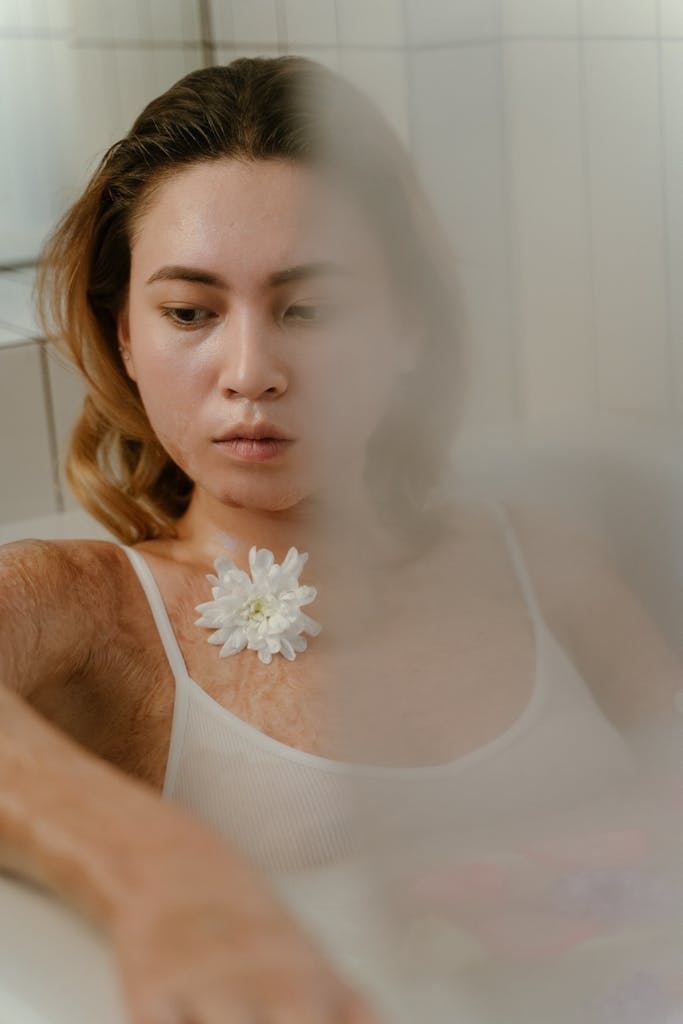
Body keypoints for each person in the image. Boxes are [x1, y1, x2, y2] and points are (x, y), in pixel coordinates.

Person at [2, 55, 683, 1024]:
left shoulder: (543, 559)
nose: (251, 371)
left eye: (308, 307)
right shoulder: (93, 608)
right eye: (189, 312)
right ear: (123, 339)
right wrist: (158, 868)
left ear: (404, 324)